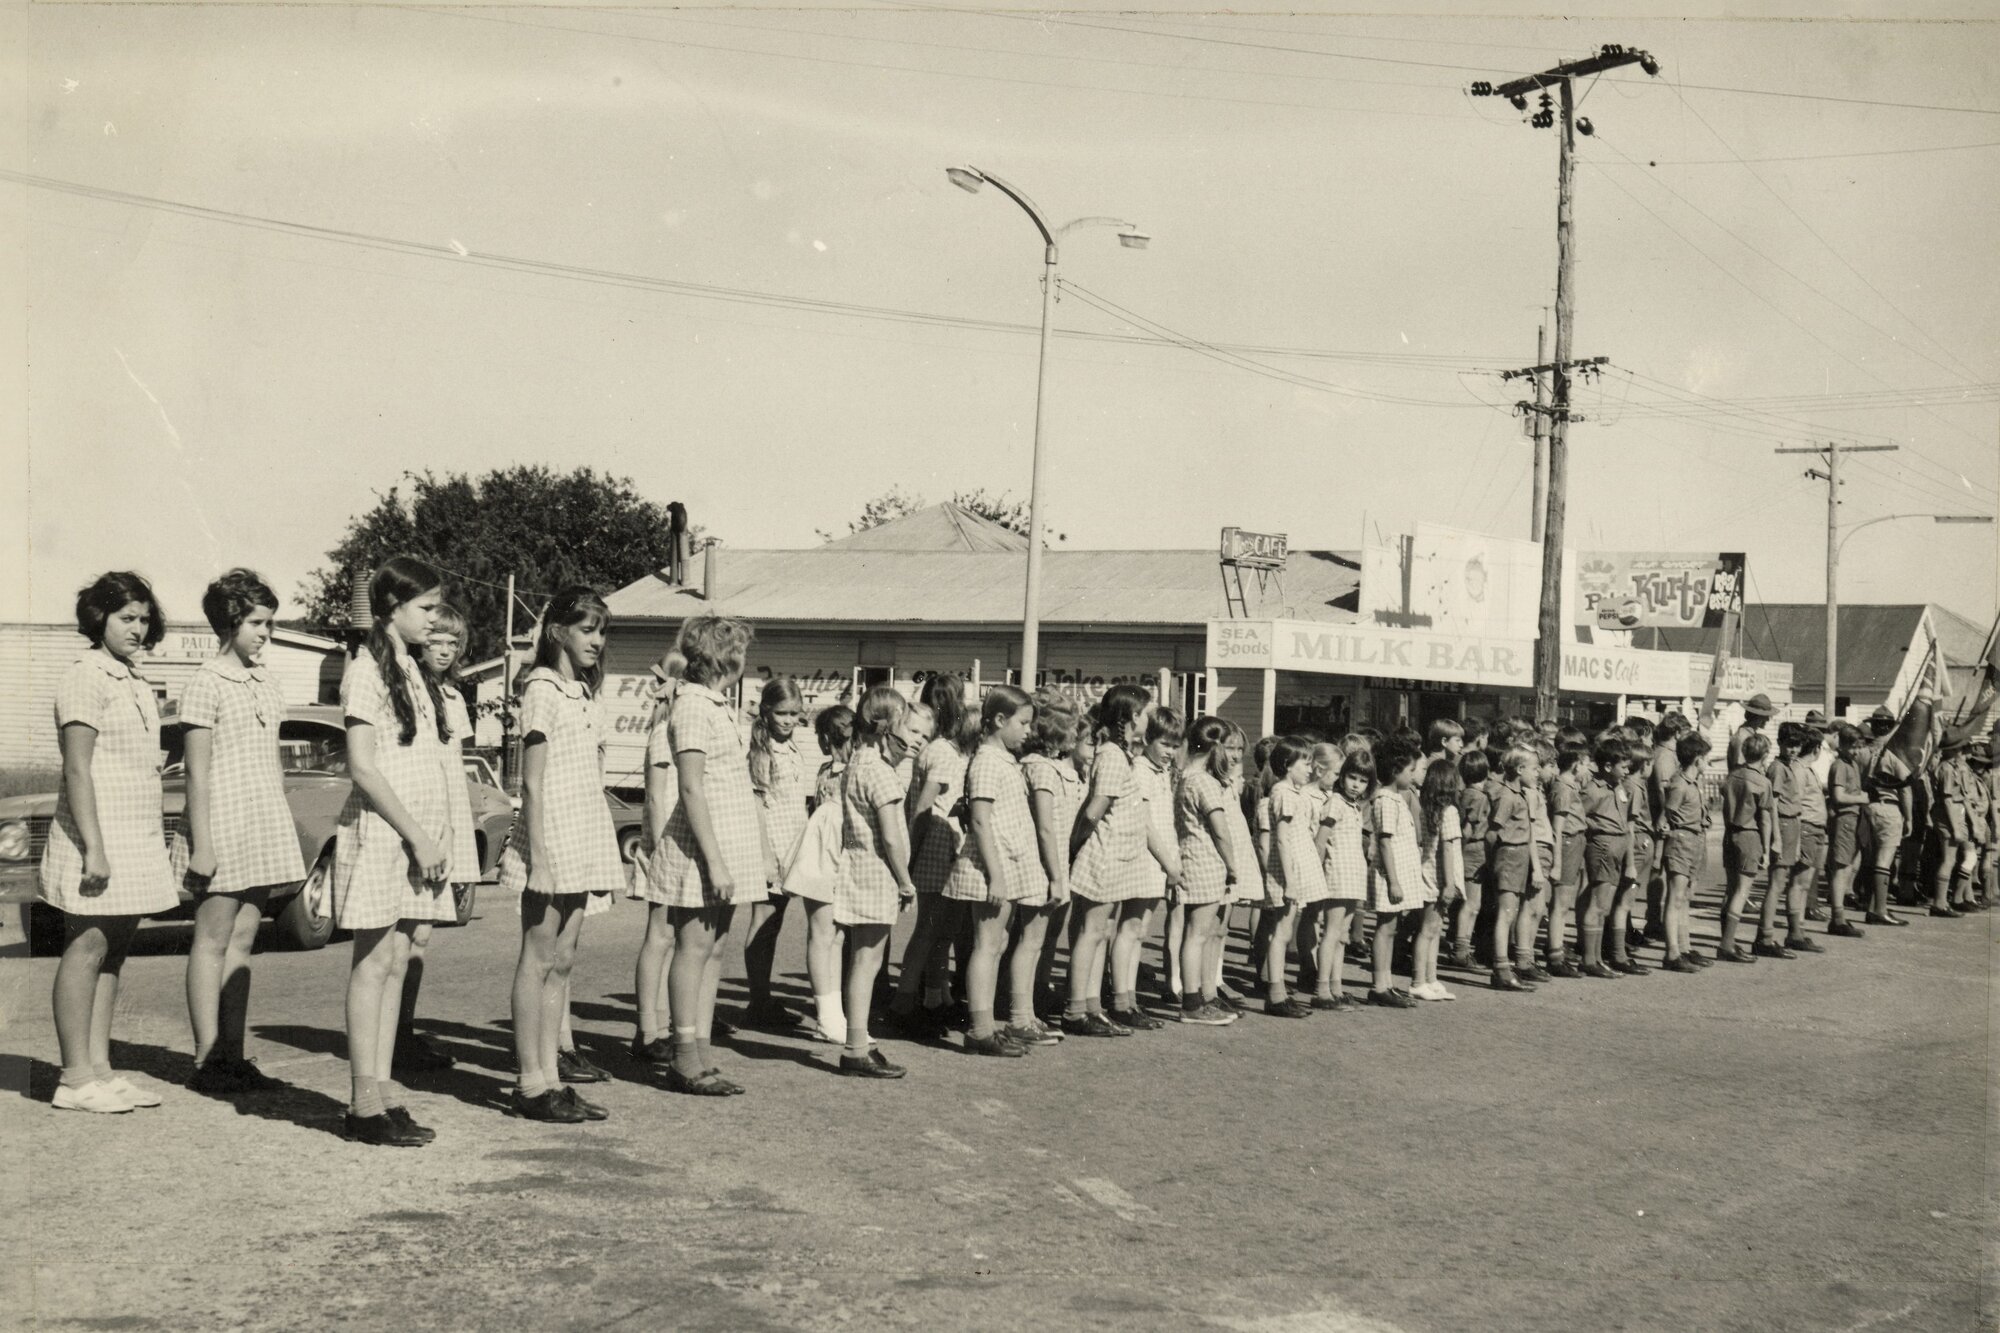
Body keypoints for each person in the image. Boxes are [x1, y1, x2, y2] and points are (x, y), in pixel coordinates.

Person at [331, 557, 458, 1146]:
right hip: (387, 835)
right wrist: (416, 834)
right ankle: (361, 1105)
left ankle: (379, 1093)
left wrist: (435, 836)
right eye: (425, 609)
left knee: (397, 960)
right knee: (375, 962)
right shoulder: (365, 670)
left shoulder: (411, 669)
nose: (435, 621)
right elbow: (362, 765)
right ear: (391, 608)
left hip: (415, 839)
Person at [42, 572, 179, 1114]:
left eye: (144, 619)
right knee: (87, 948)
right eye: (127, 618)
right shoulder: (86, 676)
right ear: (99, 618)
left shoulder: (132, 677)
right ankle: (73, 1079)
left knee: (114, 954)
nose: (138, 629)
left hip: (134, 835)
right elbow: (77, 769)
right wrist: (94, 848)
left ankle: (100, 1070)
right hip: (96, 837)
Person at [173, 569, 305, 1096]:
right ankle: (207, 1058)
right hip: (220, 823)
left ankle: (233, 1053)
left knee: (244, 941)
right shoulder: (205, 682)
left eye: (269, 623)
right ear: (230, 622)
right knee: (212, 941)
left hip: (261, 819)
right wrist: (203, 844)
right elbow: (196, 772)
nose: (265, 633)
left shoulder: (266, 680)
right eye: (256, 623)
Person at [498, 587, 623, 1124]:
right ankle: (530, 1083)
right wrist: (540, 861)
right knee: (539, 956)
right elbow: (533, 781)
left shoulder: (584, 692)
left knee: (564, 961)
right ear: (558, 633)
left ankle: (552, 1077)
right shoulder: (543, 688)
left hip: (584, 834)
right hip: (550, 838)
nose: (596, 640)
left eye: (601, 631)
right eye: (586, 629)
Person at [649, 614, 766, 1096]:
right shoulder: (693, 706)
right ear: (722, 655)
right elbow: (692, 787)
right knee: (693, 947)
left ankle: (701, 1050)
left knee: (714, 948)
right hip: (701, 846)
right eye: (737, 649)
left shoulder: (717, 705)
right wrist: (715, 861)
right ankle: (683, 1055)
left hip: (728, 842)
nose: (743, 658)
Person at [391, 603, 476, 1079]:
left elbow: (454, 768)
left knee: (423, 933)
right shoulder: (409, 688)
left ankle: (403, 1029)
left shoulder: (452, 696)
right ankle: (395, 1034)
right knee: (407, 931)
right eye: (436, 641)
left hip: (448, 815)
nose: (443, 651)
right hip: (420, 819)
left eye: (452, 644)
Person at [832, 686, 930, 1078]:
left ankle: (861, 1040)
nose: (913, 737)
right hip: (878, 873)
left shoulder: (857, 762)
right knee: (867, 961)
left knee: (862, 960)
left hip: (858, 868)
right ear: (888, 727)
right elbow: (891, 836)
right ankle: (856, 1048)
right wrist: (905, 882)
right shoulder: (881, 773)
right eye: (907, 726)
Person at [940, 685, 1040, 1056]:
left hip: (1005, 865)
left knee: (995, 945)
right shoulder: (985, 761)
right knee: (986, 946)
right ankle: (980, 1029)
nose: (1029, 731)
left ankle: (989, 1025)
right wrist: (996, 876)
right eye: (1023, 723)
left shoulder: (1004, 761)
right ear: (999, 720)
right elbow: (980, 822)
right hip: (989, 868)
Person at [1065, 685, 1157, 1036]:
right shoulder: (1112, 756)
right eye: (1146, 712)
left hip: (1115, 857)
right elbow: (1093, 811)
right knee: (1091, 932)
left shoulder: (1119, 754)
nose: (1148, 718)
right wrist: (1074, 847)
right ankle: (1075, 1012)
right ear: (1132, 716)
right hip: (1103, 855)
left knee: (1100, 932)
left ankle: (1091, 1006)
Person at [887, 674, 973, 1037]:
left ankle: (936, 1000)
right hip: (937, 846)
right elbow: (924, 807)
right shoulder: (941, 752)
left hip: (945, 843)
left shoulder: (940, 749)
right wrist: (911, 856)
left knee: (942, 932)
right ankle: (905, 1003)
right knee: (929, 931)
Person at [742, 677, 810, 1030]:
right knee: (763, 923)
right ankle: (758, 1001)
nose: (788, 720)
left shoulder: (793, 748)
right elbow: (756, 806)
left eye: (794, 714)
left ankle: (762, 999)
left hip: (793, 848)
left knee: (775, 923)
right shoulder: (761, 749)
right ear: (766, 711)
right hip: (771, 850)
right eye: (781, 713)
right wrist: (766, 856)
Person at [1170, 717, 1248, 1027]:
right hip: (1206, 862)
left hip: (1193, 858)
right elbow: (1219, 830)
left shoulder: (1185, 777)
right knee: (1198, 935)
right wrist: (1232, 865)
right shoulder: (1204, 782)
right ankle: (1192, 1002)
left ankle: (1201, 997)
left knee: (1197, 934)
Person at [784, 703, 854, 1043]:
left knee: (836, 937)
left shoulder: (843, 769)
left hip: (838, 857)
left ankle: (833, 1014)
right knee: (823, 934)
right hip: (821, 858)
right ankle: (827, 1017)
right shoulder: (834, 771)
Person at [629, 650, 685, 1066]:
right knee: (660, 935)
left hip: (685, 844)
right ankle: (648, 1029)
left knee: (677, 939)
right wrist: (663, 848)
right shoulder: (663, 733)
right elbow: (656, 798)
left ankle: (664, 1025)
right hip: (667, 844)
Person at [1017, 689, 1083, 1040]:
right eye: (1071, 729)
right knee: (1031, 941)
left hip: (1051, 865)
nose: (1076, 736)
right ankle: (1021, 1014)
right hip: (1043, 867)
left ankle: (1032, 1006)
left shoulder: (1046, 766)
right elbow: (1045, 827)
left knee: (1040, 941)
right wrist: (1057, 877)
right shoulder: (1040, 769)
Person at [1118, 707, 1183, 1027]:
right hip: (1145, 858)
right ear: (1148, 739)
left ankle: (1128, 998)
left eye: (1175, 746)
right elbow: (1145, 824)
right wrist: (1169, 863)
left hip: (1158, 862)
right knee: (1131, 928)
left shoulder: (1159, 772)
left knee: (1140, 930)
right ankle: (1121, 999)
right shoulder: (1141, 770)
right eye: (1165, 745)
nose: (1171, 752)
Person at [1261, 736, 1323, 1018]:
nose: (1310, 769)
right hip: (1288, 872)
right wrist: (1290, 880)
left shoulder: (1295, 792)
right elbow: (1283, 840)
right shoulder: (1283, 792)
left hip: (1297, 868)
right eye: (1306, 763)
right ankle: (1276, 995)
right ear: (1288, 764)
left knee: (1285, 932)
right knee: (1282, 933)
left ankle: (1280, 992)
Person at [1312, 747, 1373, 1009]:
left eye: (1362, 781)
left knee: (1342, 935)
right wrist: (1317, 871)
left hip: (1353, 875)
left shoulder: (1355, 806)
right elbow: (1321, 839)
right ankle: (1322, 989)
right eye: (1352, 778)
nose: (1356, 785)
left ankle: (1336, 988)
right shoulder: (1335, 801)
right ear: (1343, 776)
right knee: (1332, 932)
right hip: (1337, 874)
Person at [1368, 739, 1424, 1008]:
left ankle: (1387, 982)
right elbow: (1385, 842)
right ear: (1394, 770)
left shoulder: (1396, 798)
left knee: (1391, 928)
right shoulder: (1385, 800)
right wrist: (1393, 881)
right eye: (1411, 770)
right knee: (1385, 927)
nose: (1414, 776)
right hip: (1390, 876)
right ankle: (1379, 985)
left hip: (1398, 874)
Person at [1576, 734, 1633, 979]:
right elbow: (1578, 816)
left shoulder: (1618, 787)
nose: (1627, 770)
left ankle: (1597, 957)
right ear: (1608, 766)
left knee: (1604, 906)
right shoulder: (1593, 790)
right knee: (1597, 904)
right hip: (1602, 846)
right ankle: (1589, 959)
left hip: (1617, 845)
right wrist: (1596, 829)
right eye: (1623, 766)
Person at [1484, 745, 1539, 993]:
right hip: (1509, 856)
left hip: (1519, 857)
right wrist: (1495, 862)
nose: (1537, 773)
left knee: (1511, 912)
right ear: (1519, 769)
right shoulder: (1507, 796)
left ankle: (1505, 968)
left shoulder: (1521, 794)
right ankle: (1501, 970)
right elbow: (1492, 834)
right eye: (1534, 768)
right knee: (1505, 914)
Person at [1717, 731, 1775, 963]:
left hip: (1730, 833)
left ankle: (1727, 940)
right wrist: (1768, 850)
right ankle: (1727, 944)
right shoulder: (1762, 782)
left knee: (1731, 890)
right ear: (1765, 755)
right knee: (1742, 891)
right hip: (1749, 835)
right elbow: (1766, 818)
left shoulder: (1732, 776)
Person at [1660, 732, 1713, 973]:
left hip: (1695, 840)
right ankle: (1672, 953)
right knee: (1676, 897)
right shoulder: (1679, 784)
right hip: (1681, 841)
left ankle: (1684, 947)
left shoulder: (1694, 783)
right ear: (1697, 759)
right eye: (1705, 758)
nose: (1707, 763)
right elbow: (1668, 813)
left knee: (1685, 898)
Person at [1774, 723, 1829, 954]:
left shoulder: (1807, 769)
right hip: (1805, 828)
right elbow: (1791, 800)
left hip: (1814, 828)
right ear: (1815, 749)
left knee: (1805, 883)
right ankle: (1795, 932)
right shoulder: (1798, 769)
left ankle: (1800, 930)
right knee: (1799, 883)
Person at [1411, 753, 1462, 1001]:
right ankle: (1419, 980)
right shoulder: (1449, 811)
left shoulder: (1425, 808)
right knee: (1429, 929)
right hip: (1440, 877)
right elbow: (1448, 848)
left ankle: (1430, 978)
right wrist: (1450, 884)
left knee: (1433, 928)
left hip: (1426, 872)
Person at [1857, 705, 1912, 927]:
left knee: (1870, 858)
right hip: (1888, 807)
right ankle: (1880, 910)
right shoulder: (1893, 754)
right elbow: (1905, 787)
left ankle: (1871, 906)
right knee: (1885, 859)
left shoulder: (1860, 751)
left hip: (1865, 805)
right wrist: (1909, 818)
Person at [1545, 741, 1591, 978]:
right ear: (1575, 765)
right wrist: (1557, 862)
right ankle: (1555, 955)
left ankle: (1557, 950)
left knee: (1563, 904)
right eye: (1585, 764)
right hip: (1567, 844)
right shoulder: (1563, 788)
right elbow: (1558, 828)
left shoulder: (1569, 786)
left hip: (1575, 842)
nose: (1588, 769)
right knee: (1560, 905)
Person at [1822, 722, 1868, 939]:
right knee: (1840, 868)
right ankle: (1837, 918)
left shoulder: (1852, 764)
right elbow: (1839, 797)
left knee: (1847, 866)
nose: (1856, 751)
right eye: (1852, 746)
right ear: (1842, 746)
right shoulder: (1840, 765)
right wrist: (1862, 798)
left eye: (1859, 746)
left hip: (1853, 819)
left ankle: (1839, 916)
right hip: (1844, 820)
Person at [1447, 748, 1491, 972]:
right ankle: (1461, 951)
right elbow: (1467, 829)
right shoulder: (1480, 798)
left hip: (1467, 852)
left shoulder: (1463, 795)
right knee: (1472, 904)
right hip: (1474, 853)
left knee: (1466, 903)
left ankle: (1459, 946)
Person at [1927, 739, 1973, 919]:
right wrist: (1955, 827)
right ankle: (1939, 904)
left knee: (1951, 860)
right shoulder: (1946, 768)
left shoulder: (1952, 767)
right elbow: (1947, 799)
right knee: (1948, 859)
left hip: (1952, 816)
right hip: (1948, 817)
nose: (1962, 752)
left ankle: (1942, 902)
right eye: (1960, 748)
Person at [1729, 694, 1779, 770]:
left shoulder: (1751, 734)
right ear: (1755, 716)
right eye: (1764, 716)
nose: (1767, 720)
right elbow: (1740, 769)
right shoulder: (1742, 737)